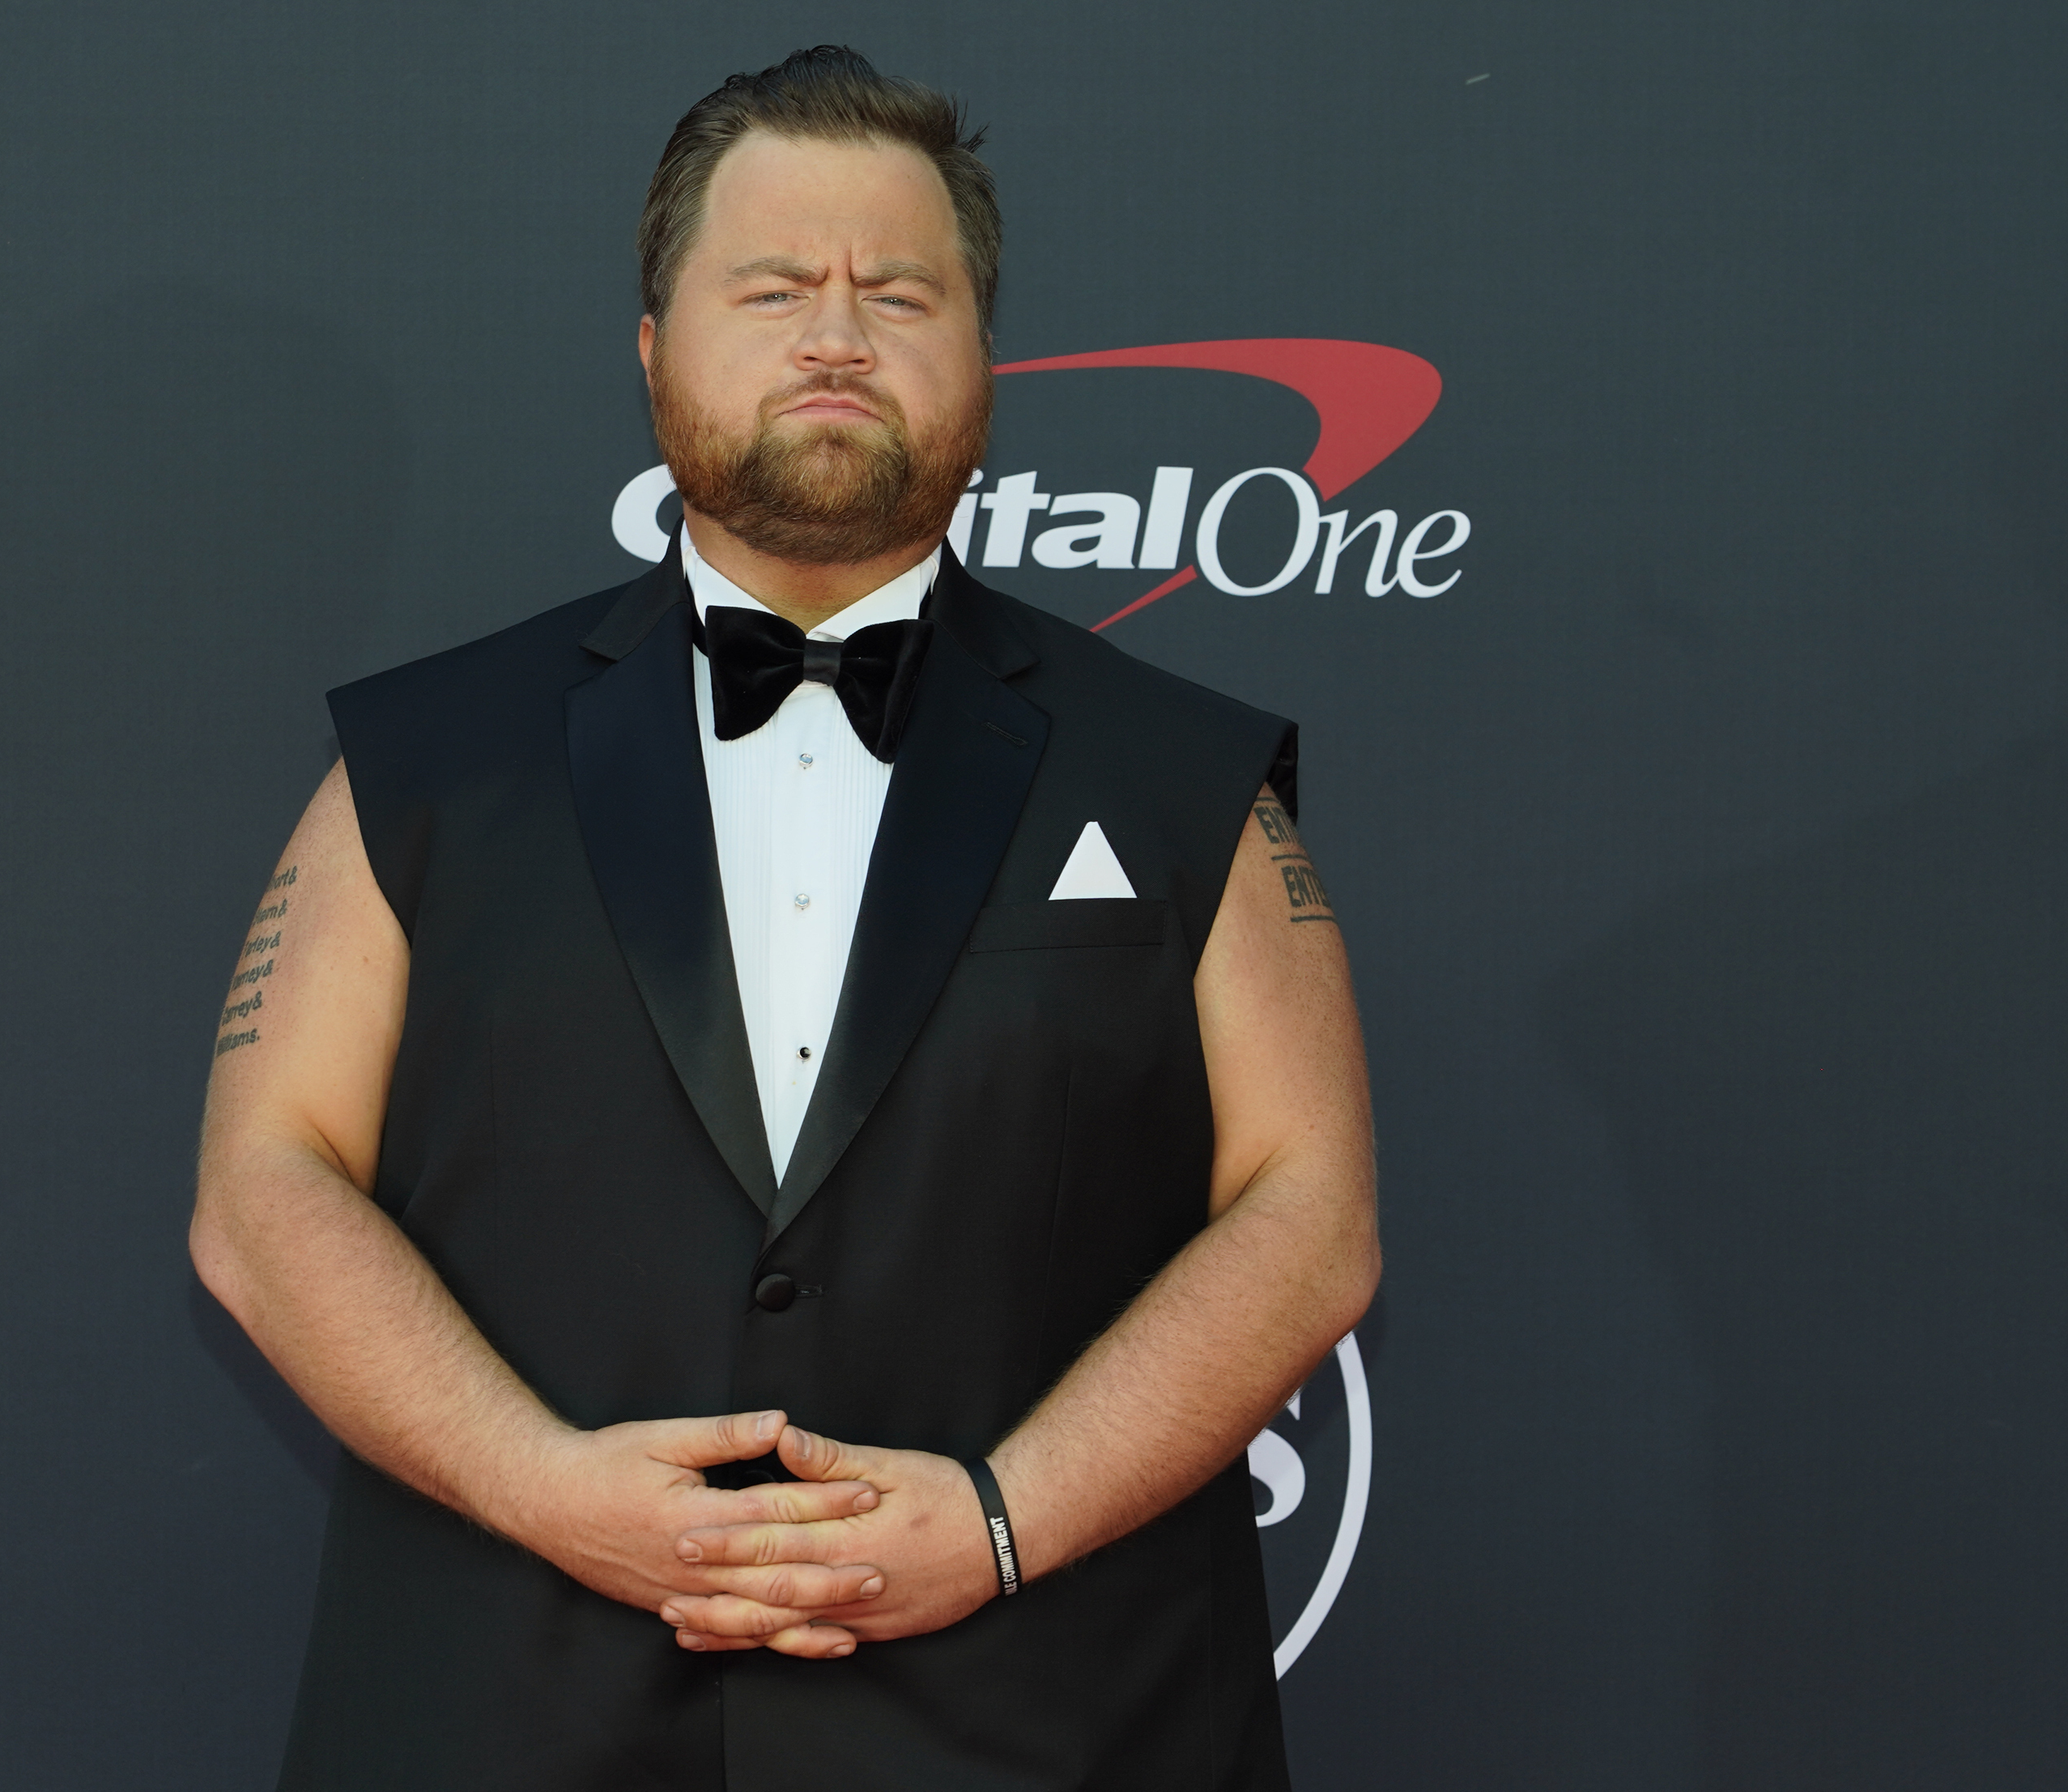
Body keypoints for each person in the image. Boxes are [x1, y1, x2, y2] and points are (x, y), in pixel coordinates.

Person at [191, 45, 1378, 1792]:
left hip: (1062, 1720)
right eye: (774, 287)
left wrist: (997, 1522)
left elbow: (1313, 1212)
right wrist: (542, 1486)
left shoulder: (1189, 776)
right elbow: (261, 1186)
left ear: (982, 361)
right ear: (657, 348)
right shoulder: (425, 762)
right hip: (511, 1718)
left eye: (899, 292)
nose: (838, 335)